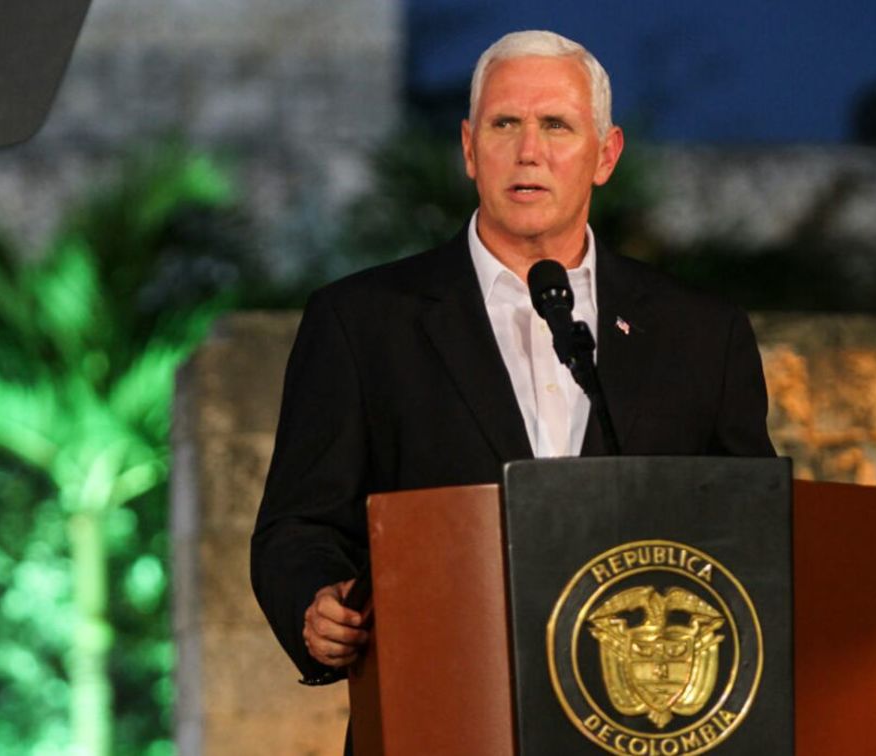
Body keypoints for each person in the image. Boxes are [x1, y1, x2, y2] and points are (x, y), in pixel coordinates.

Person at [251, 29, 774, 693]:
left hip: (639, 713)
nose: (530, 152)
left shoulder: (701, 333)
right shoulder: (363, 322)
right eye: (506, 124)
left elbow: (751, 529)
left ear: (605, 154)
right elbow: (297, 526)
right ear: (470, 149)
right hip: (441, 704)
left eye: (556, 125)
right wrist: (314, 601)